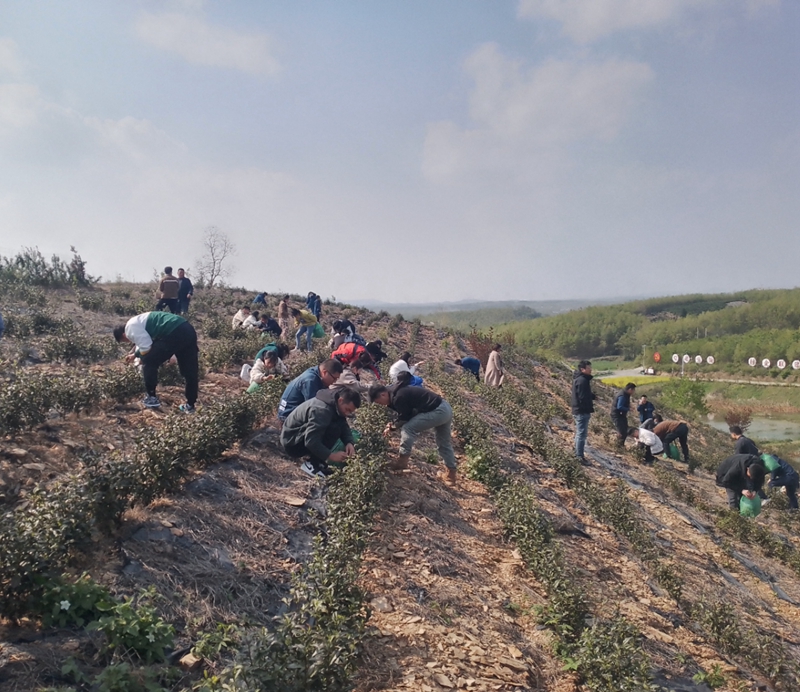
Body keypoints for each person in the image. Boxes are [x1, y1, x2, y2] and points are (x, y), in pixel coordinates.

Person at [369, 372, 458, 484]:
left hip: (438, 411)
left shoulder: (398, 396)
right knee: (444, 443)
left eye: (378, 402)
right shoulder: (395, 392)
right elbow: (407, 413)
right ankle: (451, 475)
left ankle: (402, 461)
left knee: (408, 428)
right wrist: (393, 425)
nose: (381, 404)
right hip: (445, 408)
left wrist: (392, 427)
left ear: (383, 395)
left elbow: (405, 418)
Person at [113, 312, 199, 412]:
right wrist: (135, 355)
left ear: (124, 335)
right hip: (187, 328)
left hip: (173, 332)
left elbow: (146, 348)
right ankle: (190, 405)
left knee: (149, 361)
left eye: (125, 341)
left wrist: (141, 357)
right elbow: (151, 343)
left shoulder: (130, 328)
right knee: (190, 372)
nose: (130, 341)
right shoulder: (138, 321)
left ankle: (151, 398)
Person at [281, 388, 361, 478]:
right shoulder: (322, 410)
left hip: (300, 437)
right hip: (292, 442)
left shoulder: (335, 405)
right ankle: (311, 464)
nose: (347, 413)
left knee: (337, 425)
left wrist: (349, 442)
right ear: (340, 400)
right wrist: (331, 455)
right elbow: (311, 441)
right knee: (333, 429)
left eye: (350, 411)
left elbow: (343, 424)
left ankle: (318, 462)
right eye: (347, 409)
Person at [277, 358, 343, 422]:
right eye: (334, 378)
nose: (334, 382)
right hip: (287, 417)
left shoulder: (318, 374)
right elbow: (314, 408)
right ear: (325, 372)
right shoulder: (310, 380)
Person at [571, 360, 595, 464]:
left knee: (580, 433)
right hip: (581, 411)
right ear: (582, 369)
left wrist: (592, 396)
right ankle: (579, 456)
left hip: (579, 410)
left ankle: (577, 453)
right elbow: (582, 397)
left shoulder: (580, 379)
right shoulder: (582, 381)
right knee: (581, 434)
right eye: (588, 368)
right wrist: (587, 405)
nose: (591, 370)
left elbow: (584, 394)